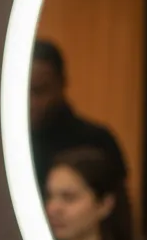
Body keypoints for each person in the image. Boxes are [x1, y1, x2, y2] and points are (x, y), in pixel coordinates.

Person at [29, 39, 126, 190]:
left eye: (40, 90)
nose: (31, 101)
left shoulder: (96, 142)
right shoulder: (8, 143)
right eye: (25, 91)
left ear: (61, 83)